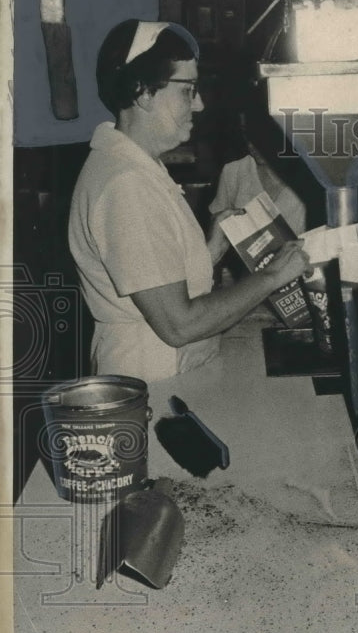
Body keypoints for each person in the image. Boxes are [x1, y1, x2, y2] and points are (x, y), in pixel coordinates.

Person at [69, 19, 309, 384]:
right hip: (153, 378)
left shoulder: (136, 167)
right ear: (143, 92)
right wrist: (274, 274)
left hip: (170, 370)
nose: (198, 104)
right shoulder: (126, 185)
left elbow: (154, 279)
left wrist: (210, 251)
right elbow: (178, 324)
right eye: (187, 90)